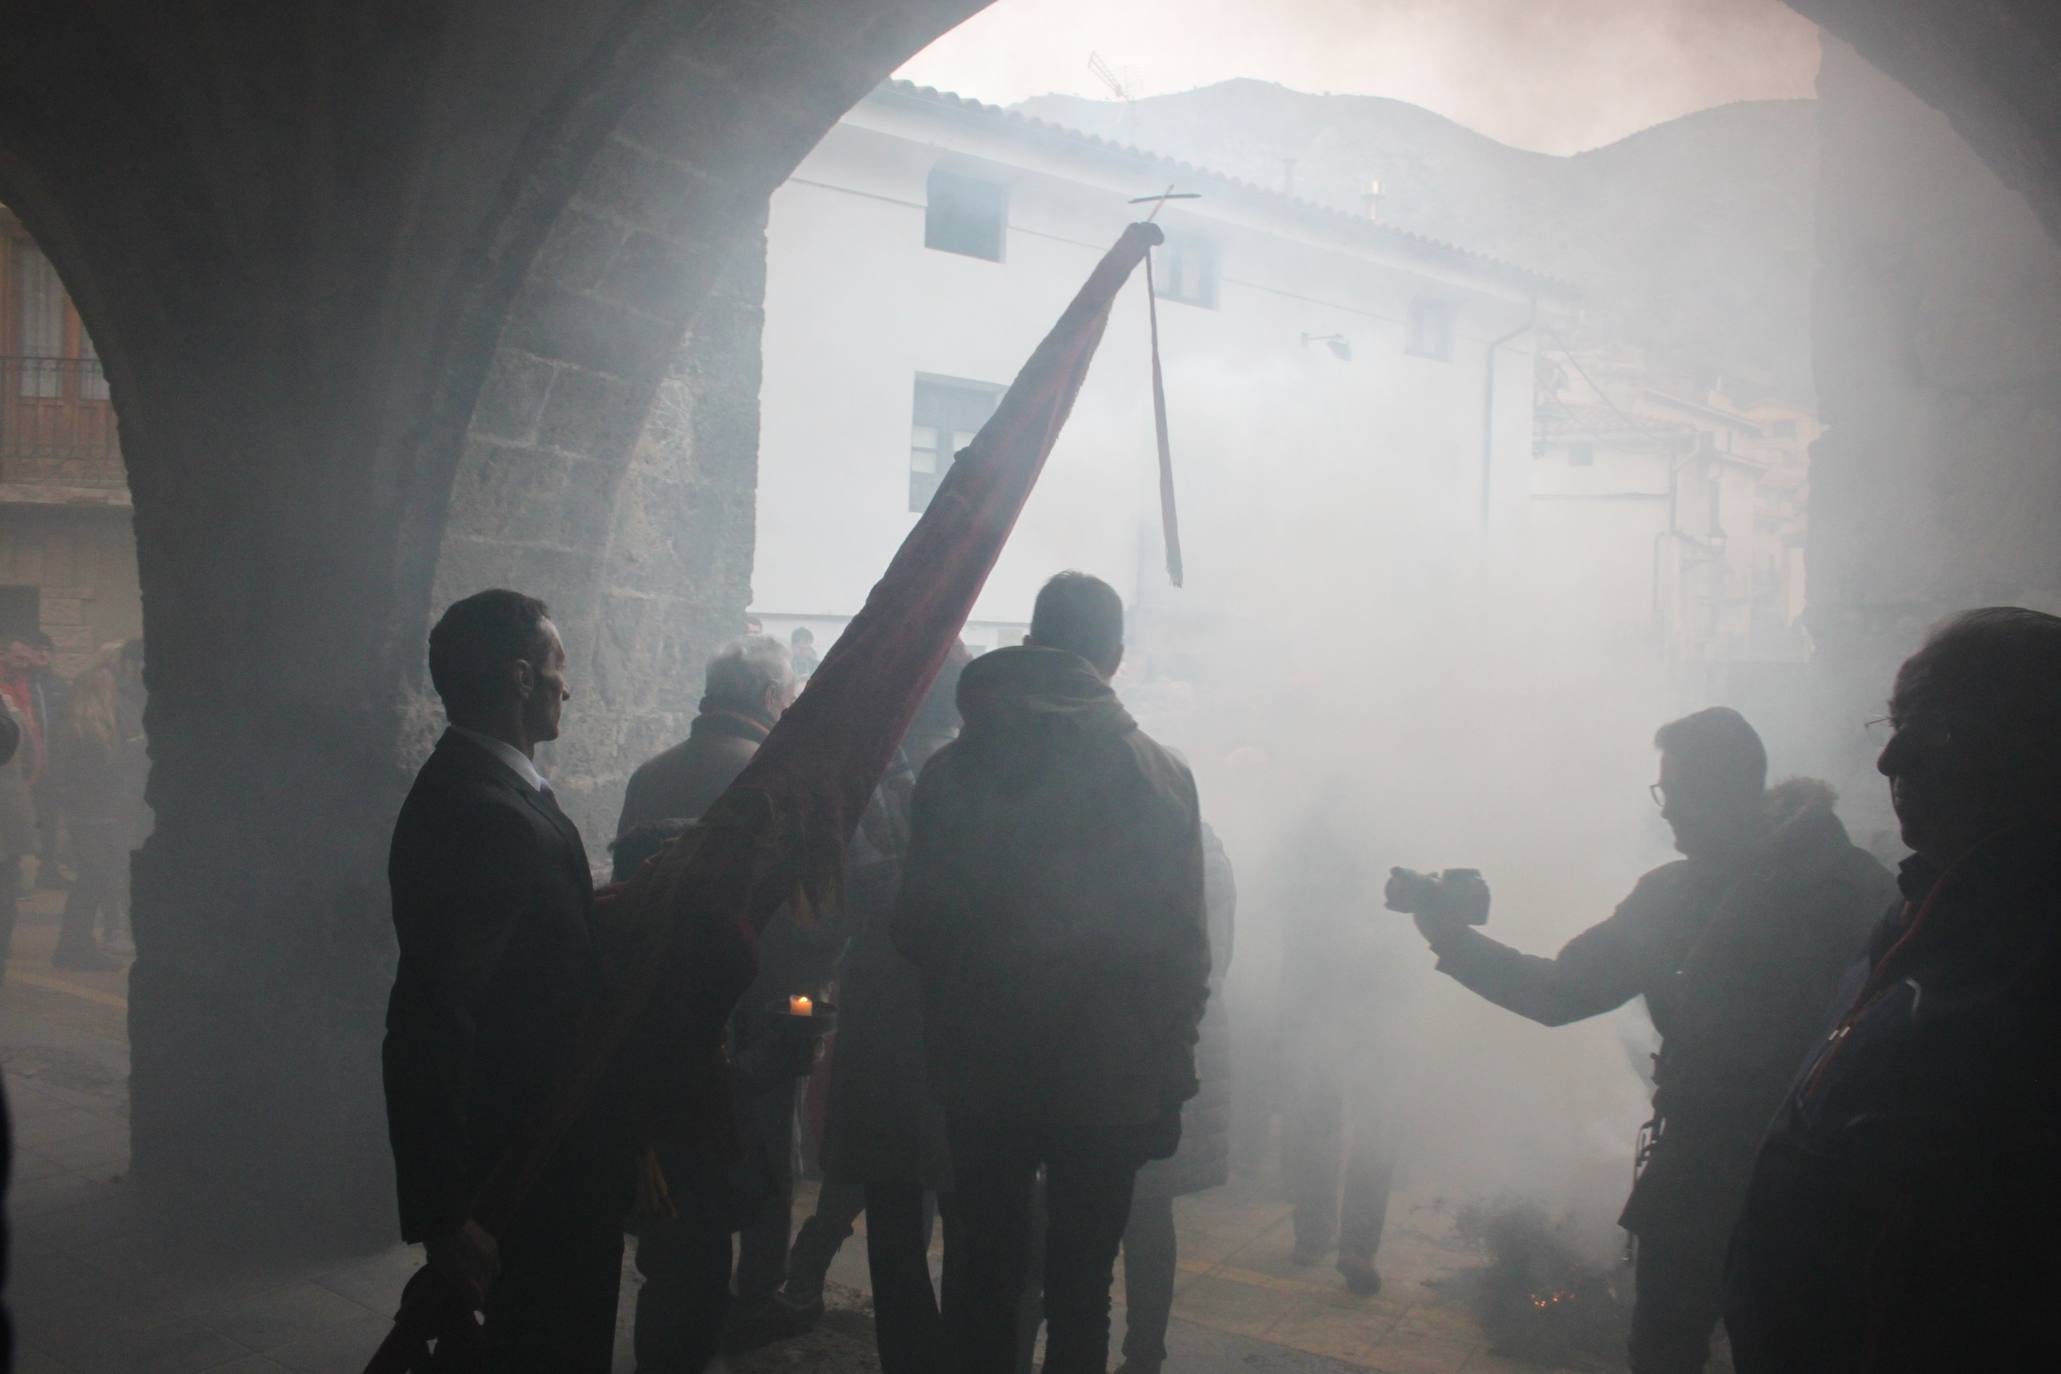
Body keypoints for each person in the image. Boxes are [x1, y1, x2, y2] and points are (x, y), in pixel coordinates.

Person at [1393, 708, 1894, 1374]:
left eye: (1676, 792)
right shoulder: (1839, 881)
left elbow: (1560, 993)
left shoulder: (1822, 890)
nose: (1665, 813)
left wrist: (1448, 937)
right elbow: (1564, 990)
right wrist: (1449, 938)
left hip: (1779, 1172)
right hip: (1743, 1172)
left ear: (1727, 790)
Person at [1725, 608, 2061, 1372]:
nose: (1890, 761)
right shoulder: (1916, 915)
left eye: (1938, 730)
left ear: (2039, 744)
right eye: (1895, 722)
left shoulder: (2034, 959)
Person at [894, 571, 1210, 1374]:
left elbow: (915, 928)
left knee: (979, 1273)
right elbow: (1180, 948)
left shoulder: (950, 770)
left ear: (1032, 642)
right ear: (1113, 657)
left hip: (980, 1069)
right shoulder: (1158, 774)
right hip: (1105, 1074)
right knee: (1080, 1288)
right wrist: (1170, 1071)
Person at [383, 589, 624, 1374]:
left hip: (537, 1155)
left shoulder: (497, 794)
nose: (568, 685)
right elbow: (431, 1017)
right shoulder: (487, 814)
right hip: (524, 1167)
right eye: (558, 665)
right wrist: (444, 1215)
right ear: (521, 678)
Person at [615, 634, 832, 1366]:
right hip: (753, 1017)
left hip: (660, 1019)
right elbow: (801, 921)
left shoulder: (650, 777)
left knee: (676, 1187)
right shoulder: (771, 784)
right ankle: (755, 1296)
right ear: (774, 699)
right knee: (765, 1160)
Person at [784, 645, 971, 1372]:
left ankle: (906, 1353)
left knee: (890, 1199)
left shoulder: (868, 779)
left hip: (885, 1008)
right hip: (965, 1016)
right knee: (967, 1205)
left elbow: (836, 907)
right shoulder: (978, 778)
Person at [1278, 788, 1408, 1297]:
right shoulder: (1385, 871)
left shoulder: (1310, 868)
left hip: (1345, 1014)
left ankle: (1319, 1237)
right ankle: (1352, 1245)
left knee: (1319, 1128)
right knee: (1364, 1129)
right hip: (1358, 1014)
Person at [52, 646, 142, 970]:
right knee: (94, 881)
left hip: (88, 816)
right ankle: (74, 947)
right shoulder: (97, 734)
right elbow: (112, 775)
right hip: (103, 816)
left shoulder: (77, 727)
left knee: (92, 880)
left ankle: (75, 945)